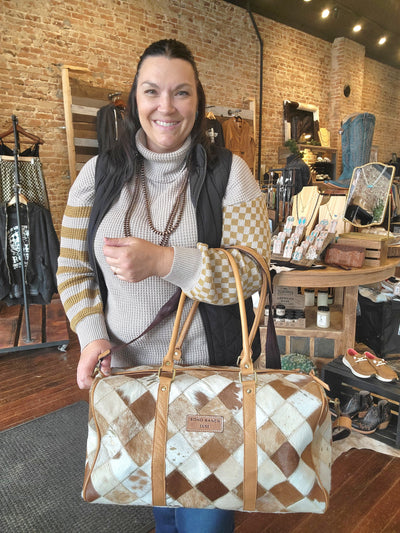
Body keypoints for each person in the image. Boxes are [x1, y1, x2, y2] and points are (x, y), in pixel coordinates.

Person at [57, 39, 271, 533]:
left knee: (204, 517)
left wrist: (165, 260)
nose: (166, 107)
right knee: (161, 504)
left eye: (182, 93)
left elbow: (253, 272)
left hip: (208, 383)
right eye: (152, 91)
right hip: (131, 379)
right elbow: (72, 269)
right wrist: (91, 333)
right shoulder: (97, 176)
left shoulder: (229, 175)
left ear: (199, 101)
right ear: (135, 99)